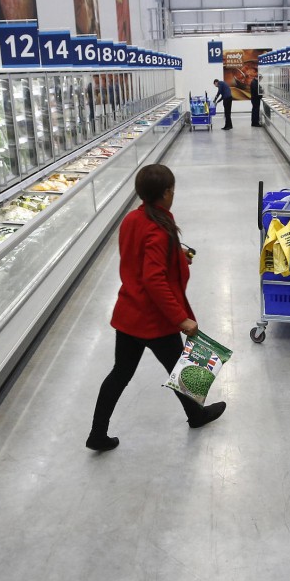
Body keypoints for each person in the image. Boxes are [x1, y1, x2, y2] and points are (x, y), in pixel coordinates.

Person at [86, 164, 227, 451]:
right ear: (165, 193)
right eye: (172, 190)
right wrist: (181, 318)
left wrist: (176, 255)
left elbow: (139, 259)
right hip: (154, 319)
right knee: (181, 368)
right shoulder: (159, 230)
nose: (173, 194)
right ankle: (197, 415)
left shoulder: (132, 219)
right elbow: (153, 280)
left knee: (120, 373)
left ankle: (97, 434)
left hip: (129, 314)